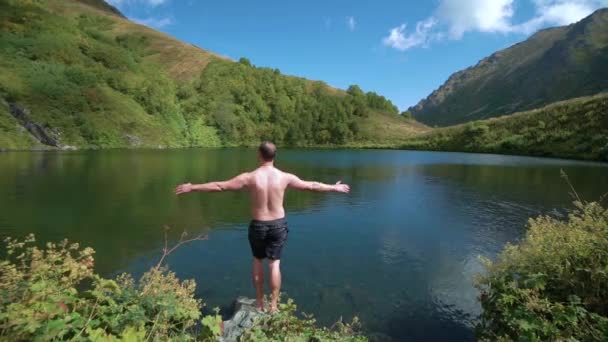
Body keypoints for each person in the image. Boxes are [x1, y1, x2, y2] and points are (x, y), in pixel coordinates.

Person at [174, 141, 350, 312]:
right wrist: (333, 188)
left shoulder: (250, 177)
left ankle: (259, 302)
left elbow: (220, 186)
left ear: (259, 155)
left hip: (258, 226)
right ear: (274, 156)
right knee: (274, 265)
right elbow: (312, 185)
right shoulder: (285, 177)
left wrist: (193, 187)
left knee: (258, 261)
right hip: (278, 226)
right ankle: (273, 306)